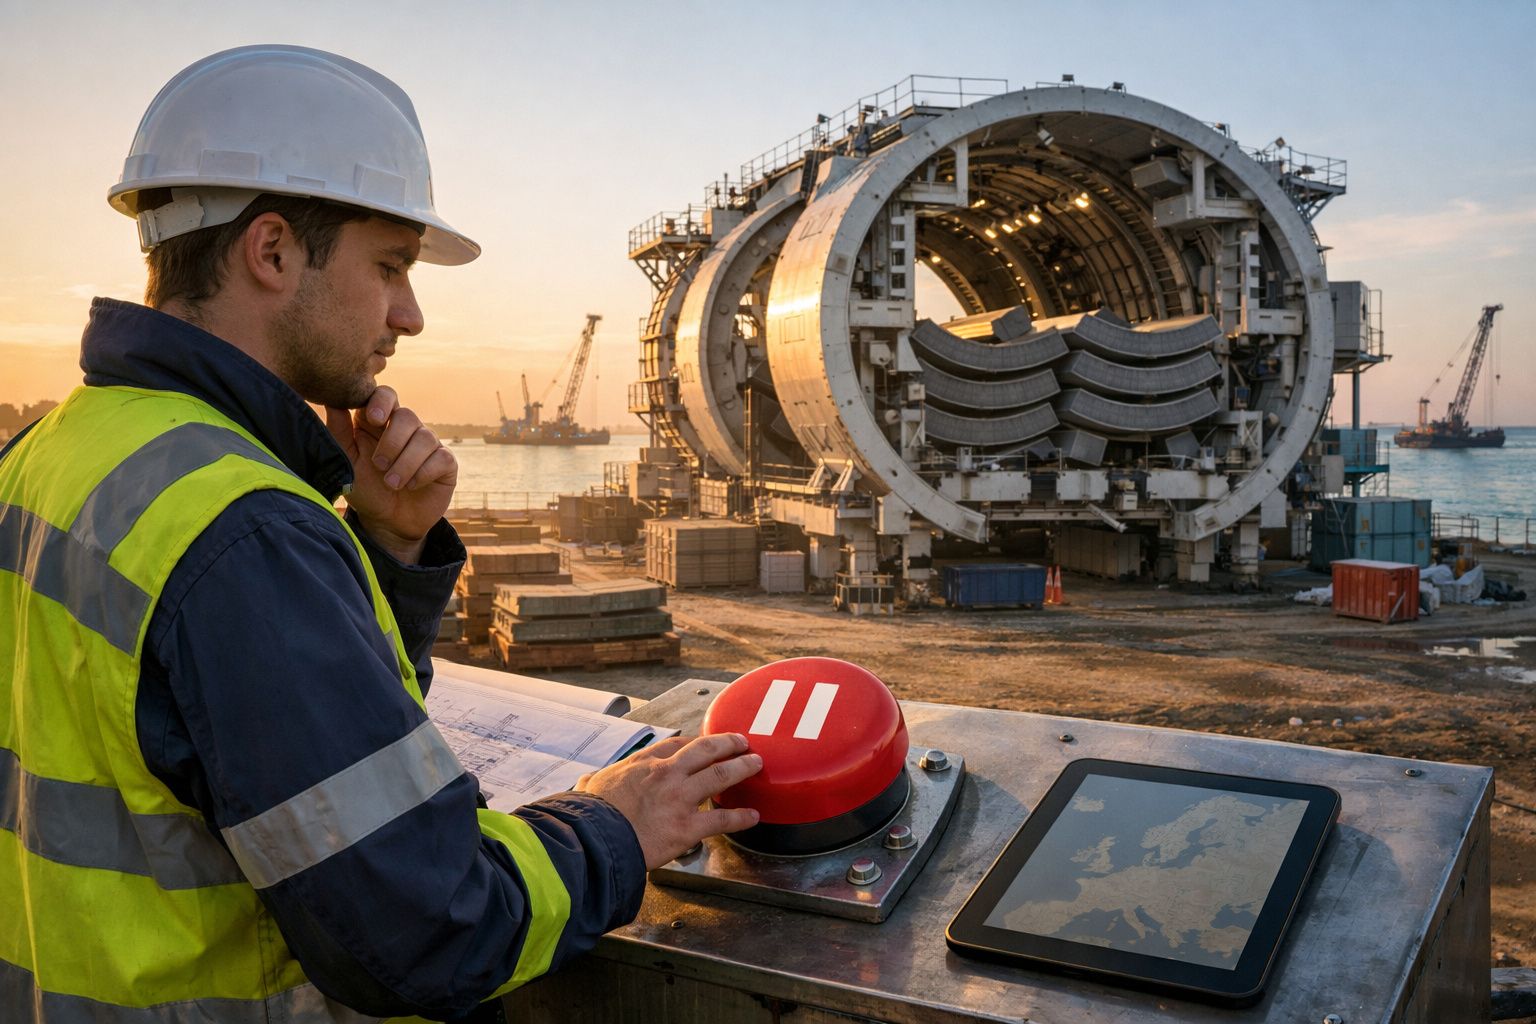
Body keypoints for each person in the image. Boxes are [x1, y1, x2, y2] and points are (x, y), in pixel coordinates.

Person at [0, 45, 761, 1023]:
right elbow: (429, 926)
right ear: (271, 252)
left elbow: (238, 748)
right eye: (391, 265)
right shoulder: (243, 532)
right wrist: (614, 822)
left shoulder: (54, 451)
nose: (410, 312)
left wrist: (388, 550)